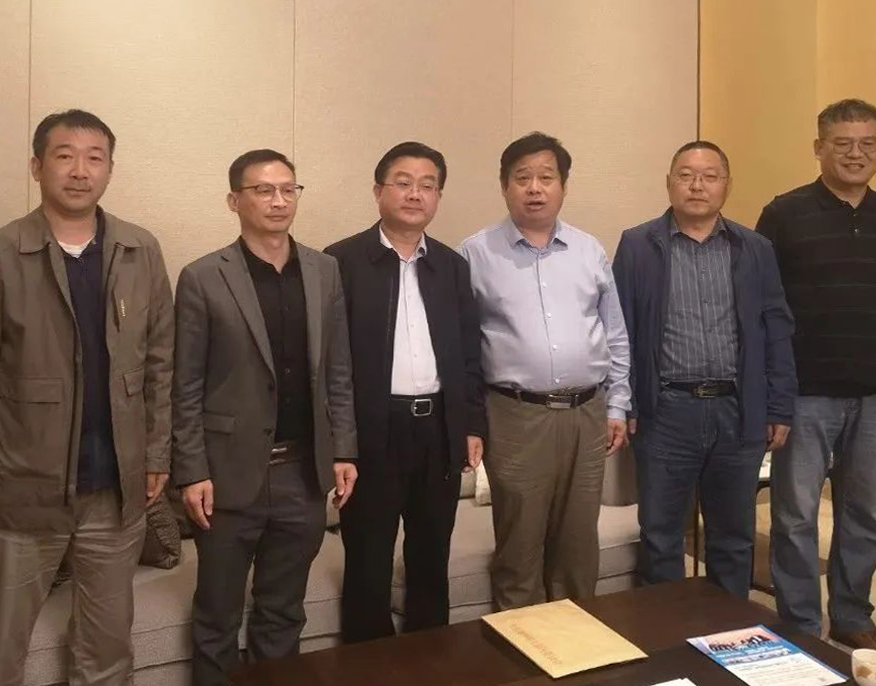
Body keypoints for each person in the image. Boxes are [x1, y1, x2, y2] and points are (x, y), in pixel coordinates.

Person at [0, 110, 174, 685]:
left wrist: (156, 454)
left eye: (95, 158)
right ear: (37, 166)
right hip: (22, 486)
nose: (80, 171)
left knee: (107, 650)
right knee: (1, 651)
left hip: (115, 489)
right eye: (64, 156)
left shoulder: (140, 249)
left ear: (110, 169)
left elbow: (160, 365)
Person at [171, 149, 357, 685]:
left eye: (288, 189)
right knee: (217, 616)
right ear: (235, 201)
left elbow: (338, 371)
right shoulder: (203, 277)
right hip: (227, 475)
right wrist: (192, 470)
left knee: (283, 611)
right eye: (263, 190)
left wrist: (344, 449)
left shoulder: (324, 271)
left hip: (303, 473)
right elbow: (185, 384)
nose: (279, 201)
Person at [758, 99, 876, 654]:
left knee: (865, 514)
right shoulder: (784, 214)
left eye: (868, 143)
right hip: (805, 394)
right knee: (796, 515)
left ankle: (852, 615)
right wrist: (773, 392)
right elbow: (765, 308)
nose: (856, 154)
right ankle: (801, 624)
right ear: (818, 147)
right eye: (843, 143)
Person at [612, 141, 796, 600]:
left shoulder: (754, 248)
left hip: (738, 411)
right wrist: (626, 402)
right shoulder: (637, 245)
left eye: (710, 176)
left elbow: (777, 329)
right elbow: (620, 330)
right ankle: (664, 632)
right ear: (668, 183)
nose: (697, 185)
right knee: (661, 537)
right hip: (665, 411)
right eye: (686, 175)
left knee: (733, 538)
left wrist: (780, 405)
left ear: (726, 186)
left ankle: (727, 630)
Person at [458, 131, 631, 609]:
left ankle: (576, 636)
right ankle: (521, 641)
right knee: (519, 541)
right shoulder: (475, 253)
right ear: (504, 186)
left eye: (546, 178)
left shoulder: (589, 250)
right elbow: (463, 349)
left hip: (588, 411)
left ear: (563, 186)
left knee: (578, 541)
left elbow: (615, 334)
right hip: (515, 414)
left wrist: (617, 404)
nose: (535, 188)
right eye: (522, 178)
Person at [325, 142, 486, 642]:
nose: (415, 194)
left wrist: (471, 425)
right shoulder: (340, 262)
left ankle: (430, 658)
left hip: (437, 428)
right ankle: (369, 665)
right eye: (403, 182)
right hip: (373, 431)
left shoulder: (452, 266)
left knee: (432, 553)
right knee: (368, 558)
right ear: (378, 191)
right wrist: (340, 443)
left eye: (427, 185)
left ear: (438, 197)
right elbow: (328, 363)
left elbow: (469, 355)